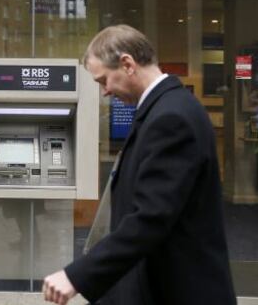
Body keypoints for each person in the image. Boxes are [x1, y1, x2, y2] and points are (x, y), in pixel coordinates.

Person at [42, 24, 236, 305]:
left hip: (181, 291)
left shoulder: (171, 118)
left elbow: (151, 217)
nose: (105, 91)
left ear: (127, 64)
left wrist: (77, 275)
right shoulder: (163, 109)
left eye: (103, 80)